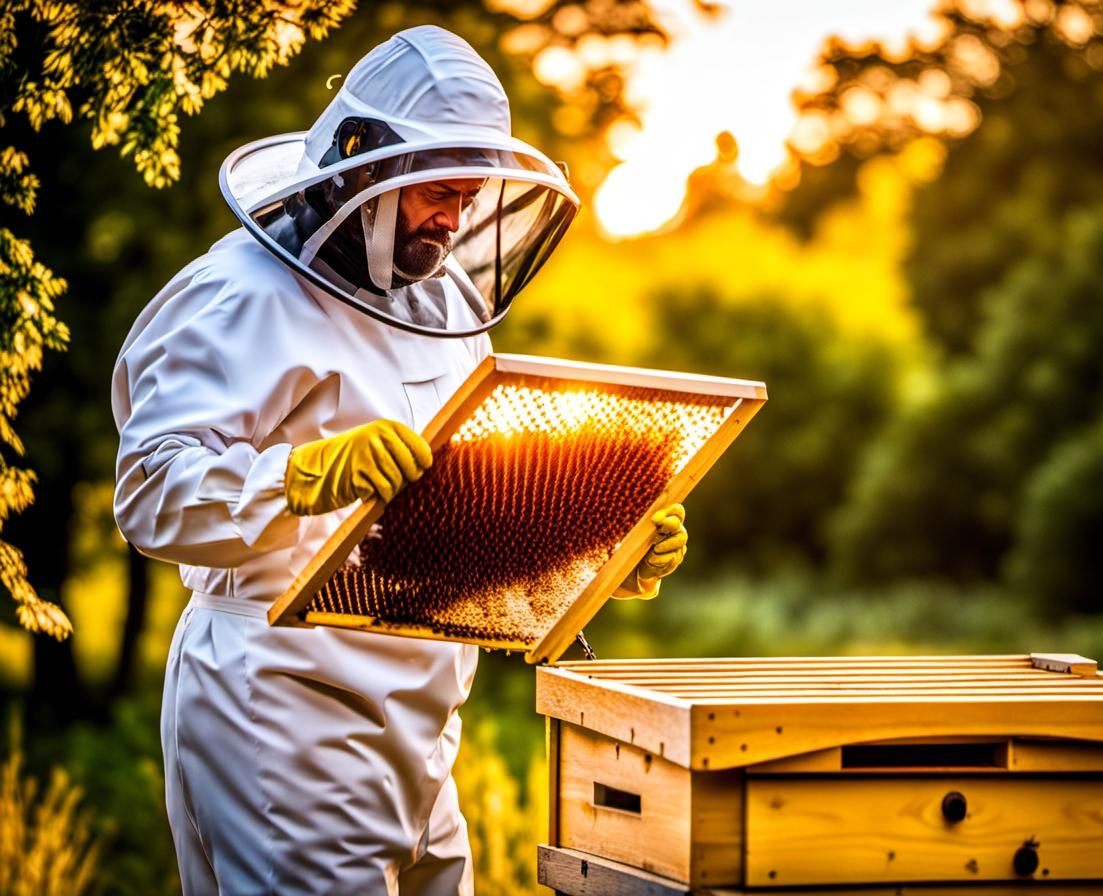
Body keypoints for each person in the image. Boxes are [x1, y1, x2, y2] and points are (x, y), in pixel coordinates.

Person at [112, 25, 687, 895]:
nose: (454, 220)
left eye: (468, 196)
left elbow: (460, 513)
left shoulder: (447, 302)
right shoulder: (239, 293)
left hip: (424, 724)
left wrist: (598, 554)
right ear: (363, 169)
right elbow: (149, 493)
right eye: (438, 194)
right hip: (281, 715)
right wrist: (298, 477)